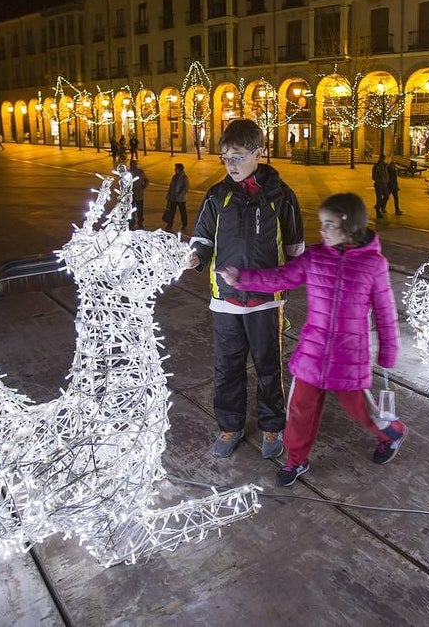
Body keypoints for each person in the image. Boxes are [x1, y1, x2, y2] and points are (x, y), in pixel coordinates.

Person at [221, 192, 406, 487]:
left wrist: (388, 354)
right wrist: (242, 278)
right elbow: (281, 277)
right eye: (321, 224)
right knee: (299, 410)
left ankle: (392, 432)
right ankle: (296, 460)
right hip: (312, 353)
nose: (322, 231)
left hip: (350, 357)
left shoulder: (374, 264)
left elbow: (385, 312)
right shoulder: (316, 256)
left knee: (360, 410)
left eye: (328, 224)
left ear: (349, 225)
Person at [189, 118, 305, 460]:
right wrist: (194, 258)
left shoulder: (282, 196)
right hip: (224, 302)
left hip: (266, 302)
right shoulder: (217, 196)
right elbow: (202, 239)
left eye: (238, 156)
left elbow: (296, 248)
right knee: (227, 367)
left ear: (260, 152)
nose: (232, 164)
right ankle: (230, 425)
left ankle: (272, 426)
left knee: (269, 366)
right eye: (226, 158)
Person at [162, 162, 189, 231]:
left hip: (181, 199)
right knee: (171, 212)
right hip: (173, 198)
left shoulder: (184, 177)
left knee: (182, 212)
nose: (174, 169)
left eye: (176, 168)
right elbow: (171, 187)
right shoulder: (174, 177)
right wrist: (169, 195)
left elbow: (186, 188)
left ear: (179, 169)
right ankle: (169, 225)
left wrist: (180, 195)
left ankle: (184, 225)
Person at [127, 159, 148, 228]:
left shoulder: (140, 172)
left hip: (139, 194)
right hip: (131, 195)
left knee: (140, 210)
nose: (134, 165)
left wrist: (144, 186)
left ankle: (140, 222)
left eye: (135, 164)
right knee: (131, 209)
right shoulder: (128, 173)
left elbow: (146, 180)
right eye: (133, 164)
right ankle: (131, 222)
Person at [371, 154, 389, 219]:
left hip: (384, 184)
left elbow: (386, 174)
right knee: (379, 199)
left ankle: (381, 207)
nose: (383, 160)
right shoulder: (376, 166)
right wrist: (380, 180)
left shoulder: (385, 166)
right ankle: (378, 212)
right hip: (379, 185)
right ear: (380, 159)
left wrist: (387, 181)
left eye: (384, 159)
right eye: (382, 159)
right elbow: (373, 176)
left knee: (386, 196)